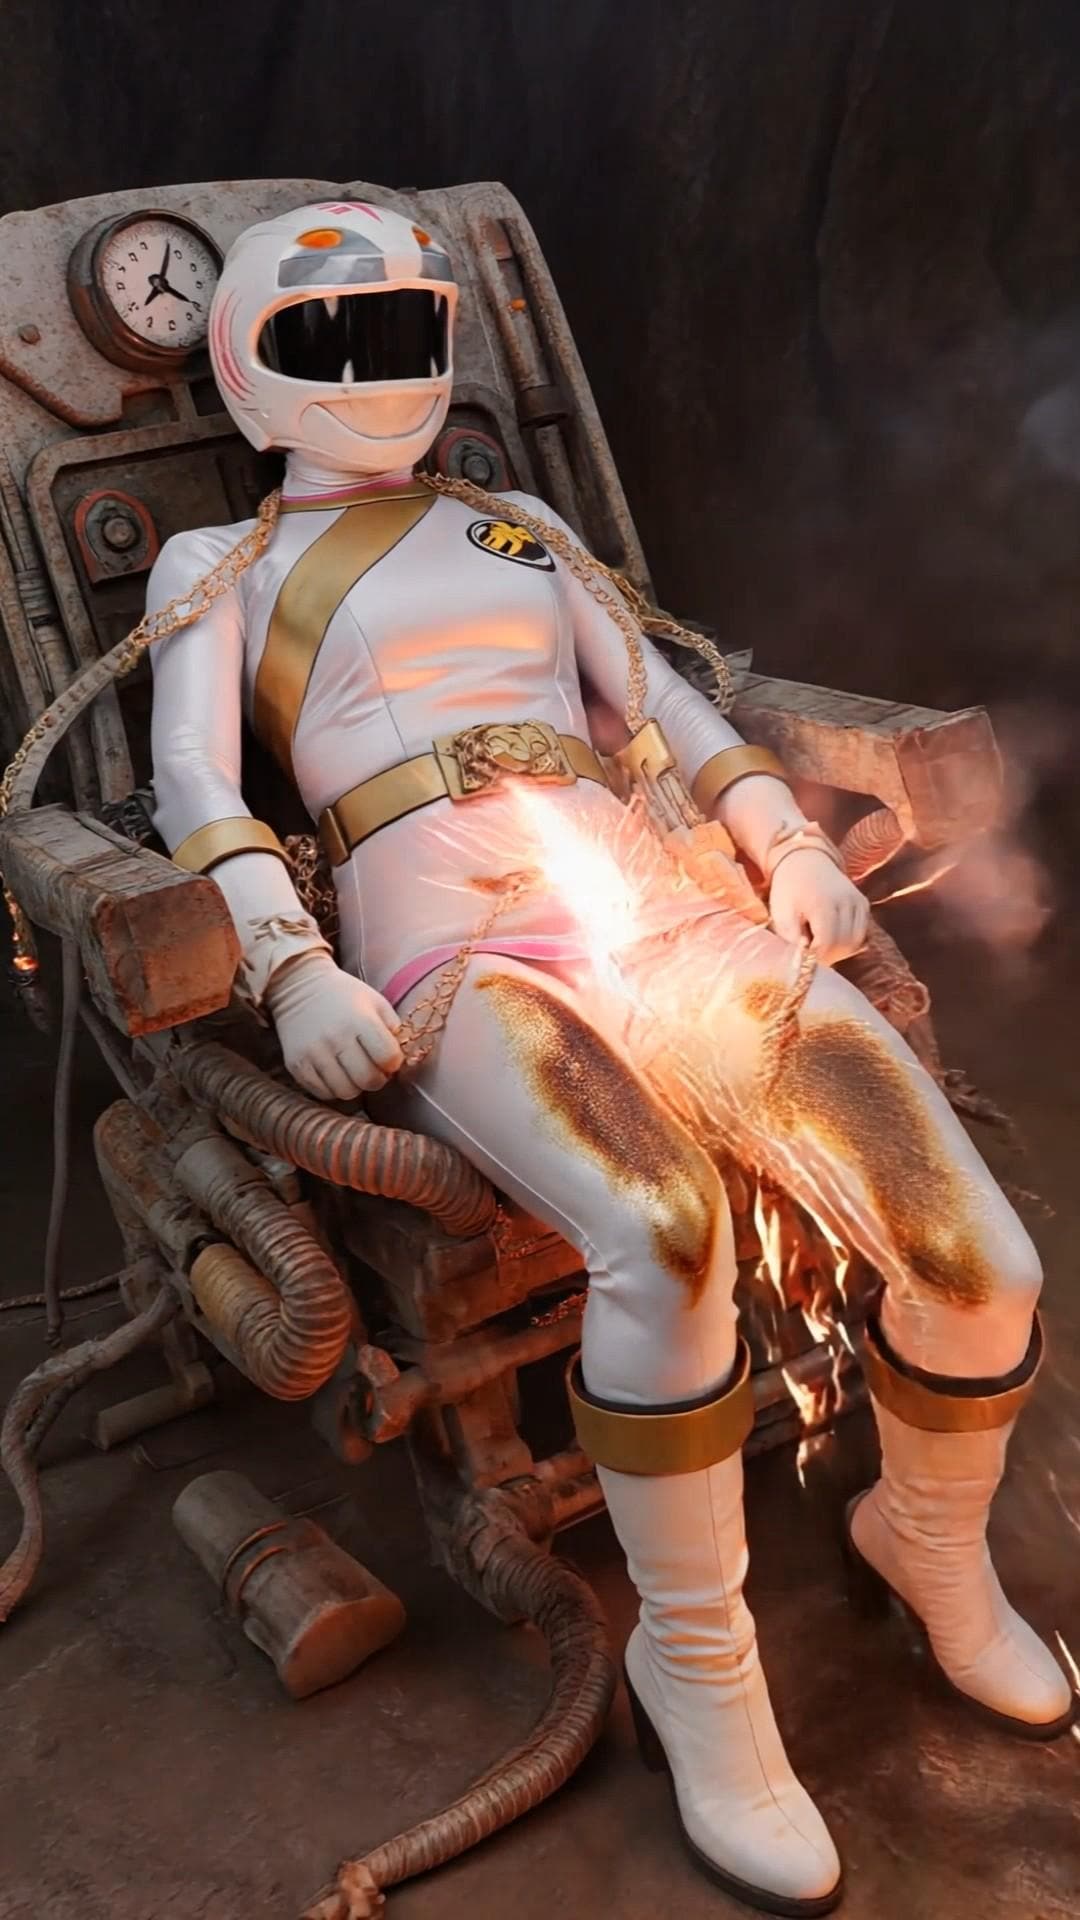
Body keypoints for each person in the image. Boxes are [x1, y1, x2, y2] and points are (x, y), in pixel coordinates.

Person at [147, 202, 1073, 1917]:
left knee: (977, 1260)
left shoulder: (519, 528)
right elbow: (197, 784)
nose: (377, 369)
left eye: (403, 330)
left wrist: (780, 834)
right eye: (328, 341)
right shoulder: (222, 566)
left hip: (657, 903)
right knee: (662, 1233)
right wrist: (287, 961)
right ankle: (700, 1670)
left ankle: (925, 1543)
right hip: (450, 949)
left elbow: (665, 702)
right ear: (245, 371)